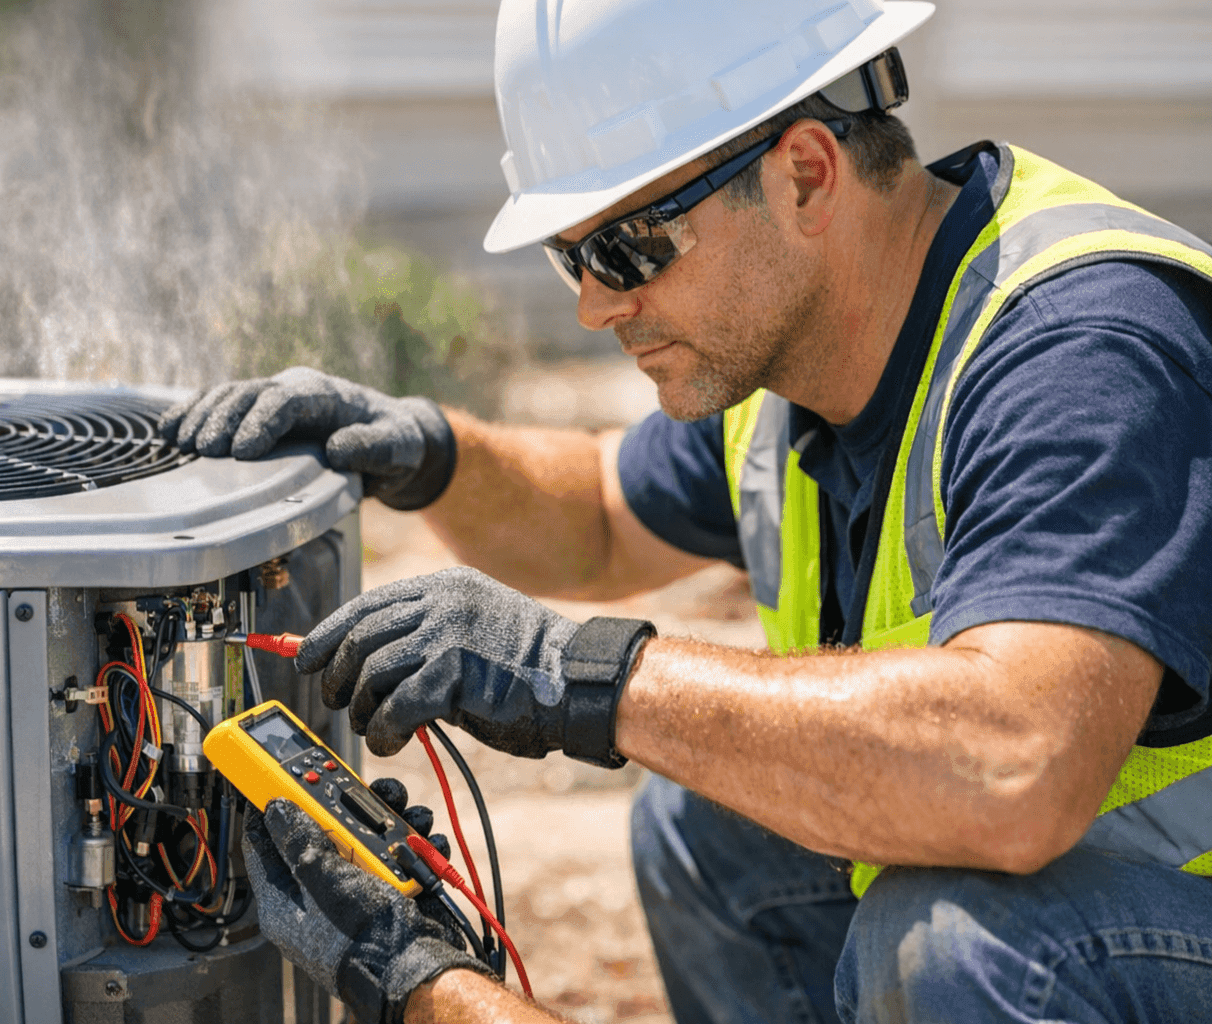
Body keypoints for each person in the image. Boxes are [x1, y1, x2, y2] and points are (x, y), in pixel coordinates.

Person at [167, 1, 1212, 1021]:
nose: (593, 302)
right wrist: (428, 454)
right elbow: (598, 515)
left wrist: (571, 676)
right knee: (709, 825)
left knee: (958, 942)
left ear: (806, 173)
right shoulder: (803, 355)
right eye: (569, 255)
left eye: (627, 248)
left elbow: (1015, 767)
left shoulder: (1079, 353)